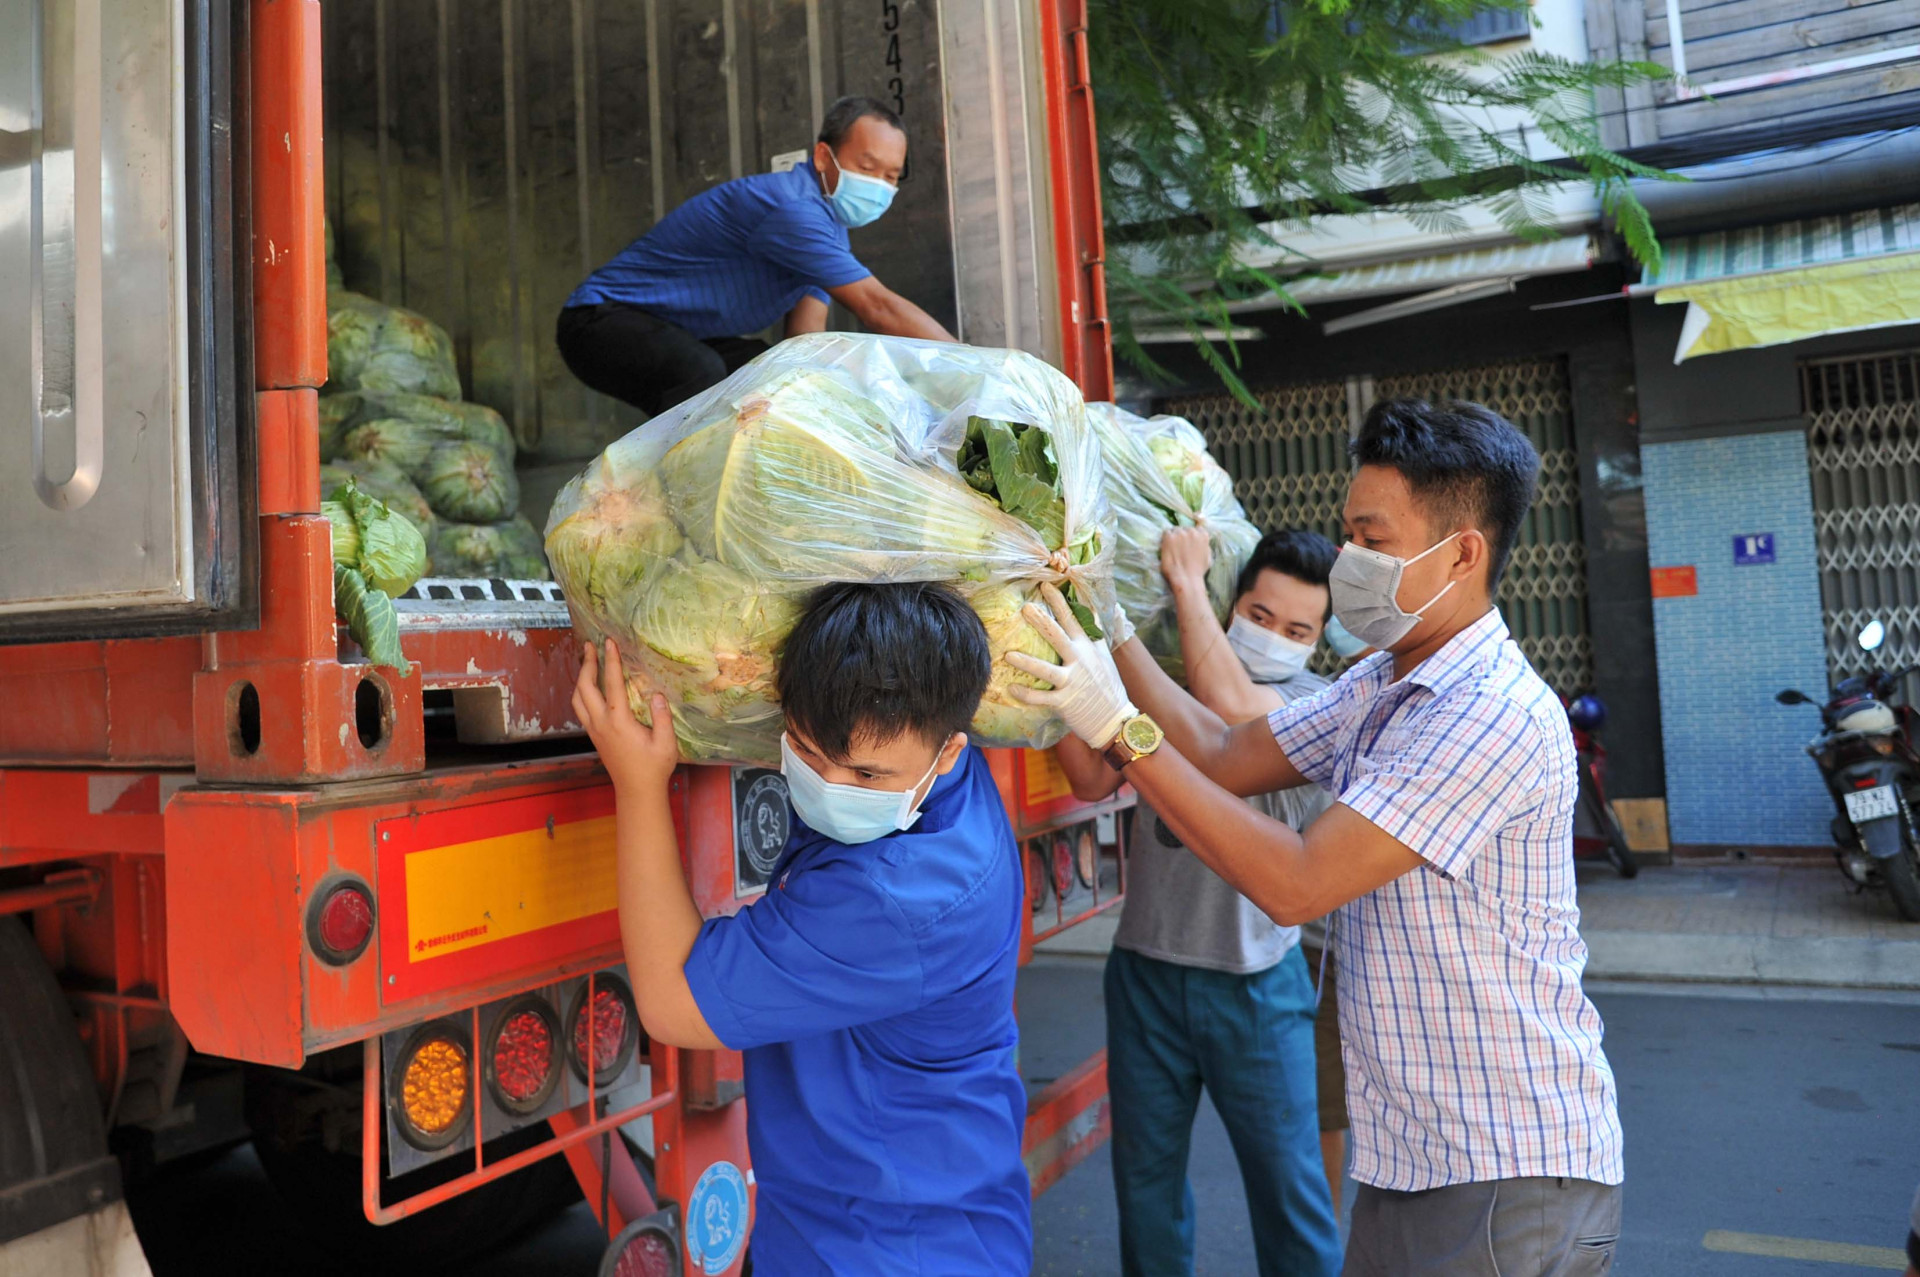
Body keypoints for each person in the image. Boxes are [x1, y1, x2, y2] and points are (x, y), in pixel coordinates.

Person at [1006, 398, 1625, 1276]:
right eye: (1348, 534)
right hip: (1417, 1156)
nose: (1349, 562)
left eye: (1372, 539)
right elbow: (1223, 750)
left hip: (1504, 1167)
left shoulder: (1487, 713)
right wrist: (1104, 627)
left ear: (1461, 553)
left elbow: (1296, 881)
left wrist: (1118, 729)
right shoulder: (1385, 678)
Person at [571, 581, 1030, 1274]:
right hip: (921, 1215)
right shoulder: (950, 787)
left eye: (869, 773)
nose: (833, 788)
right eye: (810, 755)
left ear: (949, 752)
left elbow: (670, 1000)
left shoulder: (894, 900)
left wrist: (638, 784)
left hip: (885, 1246)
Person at [1052, 528, 1344, 1277]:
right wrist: (1062, 646)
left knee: (1290, 1195)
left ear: (1317, 644)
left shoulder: (1315, 704)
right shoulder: (1167, 684)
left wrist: (1176, 587)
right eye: (1258, 611)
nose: (1272, 636)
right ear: (1233, 603)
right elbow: (1089, 777)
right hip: (1145, 973)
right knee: (1146, 1192)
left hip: (1256, 989)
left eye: (1296, 629)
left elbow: (1232, 723)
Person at [556, 95, 954, 416]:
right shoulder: (794, 211)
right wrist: (972, 365)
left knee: (764, 372)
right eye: (866, 167)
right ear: (822, 158)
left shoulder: (828, 233)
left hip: (669, 332)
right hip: (596, 323)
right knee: (700, 373)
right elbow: (877, 308)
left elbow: (804, 344)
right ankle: (665, 494)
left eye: (890, 177)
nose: (878, 186)